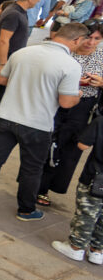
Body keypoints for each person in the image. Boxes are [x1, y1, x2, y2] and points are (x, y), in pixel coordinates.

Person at [0, 22, 87, 220]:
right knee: (32, 168)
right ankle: (26, 210)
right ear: (77, 40)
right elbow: (66, 102)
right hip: (37, 124)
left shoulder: (23, 52)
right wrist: (78, 95)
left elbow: (2, 80)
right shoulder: (70, 65)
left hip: (7, 116)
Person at [37, 21, 103, 206]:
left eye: (97, 38)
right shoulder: (66, 52)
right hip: (58, 101)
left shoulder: (100, 56)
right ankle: (38, 185)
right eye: (88, 37)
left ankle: (51, 186)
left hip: (84, 107)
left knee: (70, 148)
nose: (91, 42)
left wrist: (100, 83)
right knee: (49, 142)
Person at [51, 113, 103, 265]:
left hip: (95, 177)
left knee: (87, 213)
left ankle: (76, 247)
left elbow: (82, 145)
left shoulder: (100, 121)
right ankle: (97, 251)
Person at [0, 0, 41, 111]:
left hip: (10, 56)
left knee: (2, 87)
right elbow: (3, 40)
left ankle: (0, 111)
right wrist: (2, 64)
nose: (39, 0)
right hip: (3, 56)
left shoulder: (20, 11)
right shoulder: (14, 13)